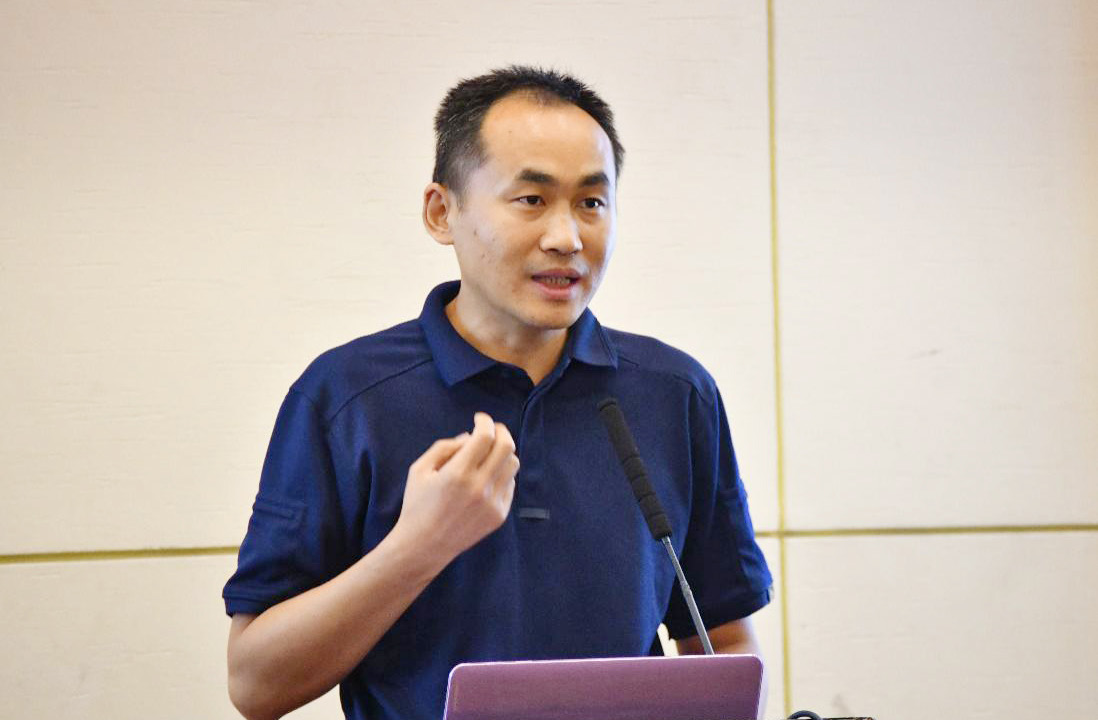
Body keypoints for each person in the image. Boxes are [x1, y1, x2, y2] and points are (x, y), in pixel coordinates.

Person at [223, 65, 773, 720]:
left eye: (592, 203)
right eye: (531, 199)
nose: (567, 238)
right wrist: (418, 546)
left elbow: (723, 643)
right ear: (442, 212)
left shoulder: (675, 394)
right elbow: (257, 684)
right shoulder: (346, 397)